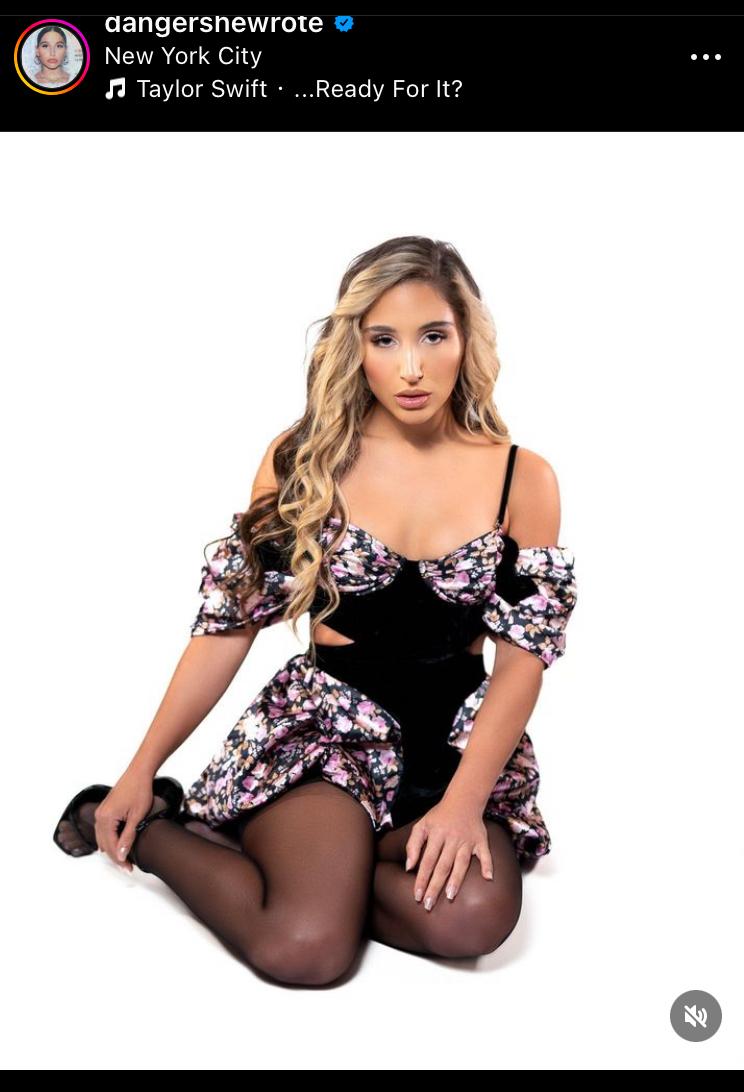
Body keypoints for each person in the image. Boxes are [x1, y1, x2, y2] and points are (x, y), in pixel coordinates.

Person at [53, 235, 578, 986]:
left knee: (471, 921)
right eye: (384, 339)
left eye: (434, 335)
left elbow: (523, 666)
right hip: (326, 739)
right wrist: (142, 767)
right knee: (306, 950)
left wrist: (464, 805)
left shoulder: (523, 478)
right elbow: (227, 627)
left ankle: (314, 873)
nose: (411, 366)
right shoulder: (304, 459)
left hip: (454, 748)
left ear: (467, 337)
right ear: (353, 345)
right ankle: (162, 827)